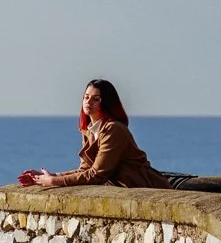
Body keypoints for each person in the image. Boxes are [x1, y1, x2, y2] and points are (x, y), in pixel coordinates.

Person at [17, 79, 171, 189]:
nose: (88, 102)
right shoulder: (89, 130)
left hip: (144, 186)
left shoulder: (113, 129)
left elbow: (97, 175)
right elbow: (85, 170)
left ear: (106, 103)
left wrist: (54, 182)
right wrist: (50, 176)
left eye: (95, 99)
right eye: (86, 97)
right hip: (124, 187)